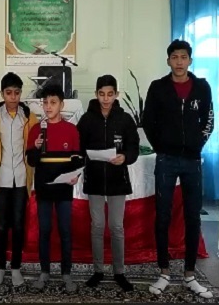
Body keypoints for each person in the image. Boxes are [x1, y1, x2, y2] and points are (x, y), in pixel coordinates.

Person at [142, 40, 214, 299]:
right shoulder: (158, 87)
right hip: (166, 160)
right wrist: (161, 147)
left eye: (184, 57)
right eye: (175, 57)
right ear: (168, 61)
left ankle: (190, 275)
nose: (179, 61)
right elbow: (147, 121)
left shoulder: (202, 87)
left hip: (193, 160)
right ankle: (164, 272)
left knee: (193, 217)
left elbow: (209, 120)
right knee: (163, 216)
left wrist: (197, 144)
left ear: (190, 60)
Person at [76, 75, 140, 292]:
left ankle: (119, 272)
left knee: (116, 226)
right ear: (96, 94)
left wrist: (125, 157)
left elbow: (133, 146)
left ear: (116, 95)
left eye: (110, 94)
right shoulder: (87, 119)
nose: (105, 99)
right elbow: (78, 147)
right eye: (102, 94)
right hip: (94, 179)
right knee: (97, 226)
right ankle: (98, 270)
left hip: (117, 180)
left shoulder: (125, 119)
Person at [25, 85, 84, 293]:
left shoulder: (71, 130)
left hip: (63, 191)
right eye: (45, 103)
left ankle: (66, 272)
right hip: (44, 189)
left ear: (62, 104)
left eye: (53, 102)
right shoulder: (36, 130)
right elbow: (31, 161)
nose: (48, 107)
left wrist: (75, 176)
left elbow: (77, 160)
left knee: (65, 230)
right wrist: (36, 147)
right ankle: (44, 271)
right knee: (45, 231)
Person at [0, 72, 38, 287]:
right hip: (1, 178)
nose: (13, 97)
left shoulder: (29, 117)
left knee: (18, 224)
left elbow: (33, 145)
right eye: (9, 93)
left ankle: (16, 267)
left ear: (20, 93)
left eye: (16, 93)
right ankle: (0, 267)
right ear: (2, 94)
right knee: (0, 225)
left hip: (21, 178)